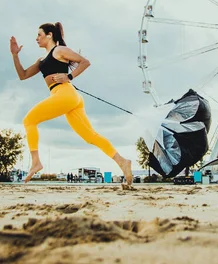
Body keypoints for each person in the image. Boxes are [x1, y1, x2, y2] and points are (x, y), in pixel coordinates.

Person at [10, 22, 133, 187]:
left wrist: (69, 77)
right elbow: (23, 75)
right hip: (69, 98)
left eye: (39, 34)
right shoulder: (41, 60)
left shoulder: (59, 50)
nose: (36, 38)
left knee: (29, 121)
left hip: (65, 93)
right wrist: (15, 55)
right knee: (91, 136)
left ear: (50, 35)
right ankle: (122, 162)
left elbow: (85, 62)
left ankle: (36, 162)